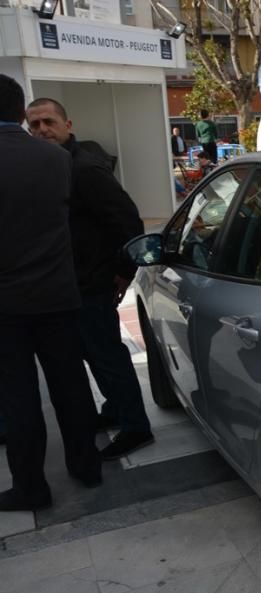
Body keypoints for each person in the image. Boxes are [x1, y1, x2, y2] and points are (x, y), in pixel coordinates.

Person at [25, 97, 154, 461]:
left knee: (107, 356)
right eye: (34, 125)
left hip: (92, 284)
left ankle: (135, 427)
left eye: (48, 122)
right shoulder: (51, 166)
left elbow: (128, 221)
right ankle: (116, 410)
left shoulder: (84, 170)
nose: (42, 130)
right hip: (68, 284)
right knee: (93, 356)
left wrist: (122, 272)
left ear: (68, 125)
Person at [0, 75, 102, 510]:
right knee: (70, 385)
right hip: (58, 295)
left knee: (18, 398)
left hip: (5, 306)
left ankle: (31, 488)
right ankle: (87, 466)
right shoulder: (55, 159)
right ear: (20, 112)